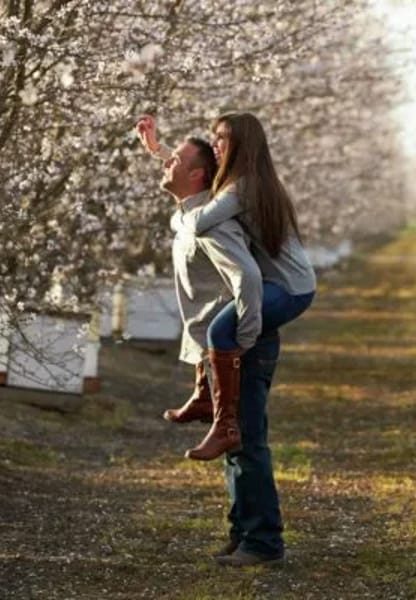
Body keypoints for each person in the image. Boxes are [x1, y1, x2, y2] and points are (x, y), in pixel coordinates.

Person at [135, 129, 286, 565]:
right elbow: (184, 181)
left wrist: (244, 338)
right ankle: (244, 533)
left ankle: (263, 542)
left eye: (175, 161)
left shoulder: (212, 225)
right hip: (220, 349)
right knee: (231, 441)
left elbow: (247, 278)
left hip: (239, 345)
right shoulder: (191, 214)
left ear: (198, 175)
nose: (168, 164)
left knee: (246, 441)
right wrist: (159, 150)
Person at [138, 113, 316, 462]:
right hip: (281, 282)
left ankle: (224, 426)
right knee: (215, 322)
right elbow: (192, 172)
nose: (215, 144)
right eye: (215, 137)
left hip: (290, 287)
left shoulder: (242, 188)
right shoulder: (240, 180)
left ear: (241, 147)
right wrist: (159, 151)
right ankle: (206, 398)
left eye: (222, 139)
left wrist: (246, 335)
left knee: (221, 330)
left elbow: (199, 219)